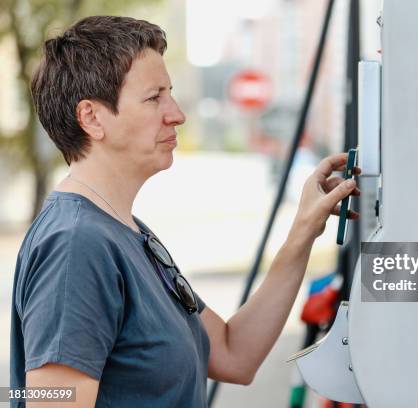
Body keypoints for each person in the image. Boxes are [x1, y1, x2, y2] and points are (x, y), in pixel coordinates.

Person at [9, 16, 360, 408]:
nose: (176, 113)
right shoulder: (76, 245)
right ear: (91, 117)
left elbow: (233, 354)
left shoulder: (127, 234)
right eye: (154, 97)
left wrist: (304, 229)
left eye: (170, 93)